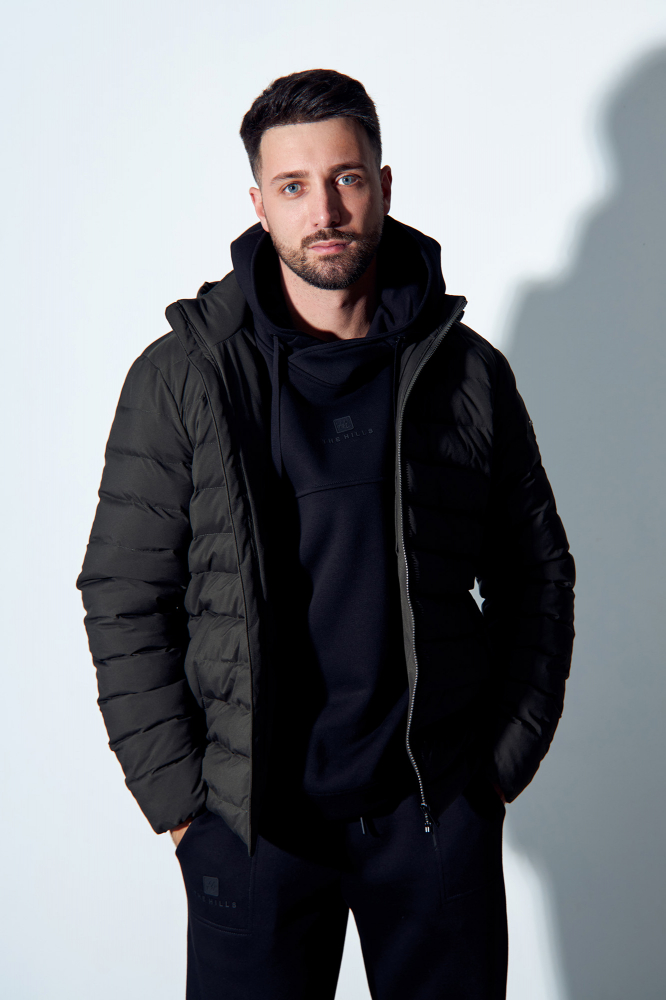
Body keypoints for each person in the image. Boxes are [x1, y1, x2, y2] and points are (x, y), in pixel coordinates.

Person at [76, 69, 575, 1000]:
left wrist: (494, 776)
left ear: (382, 185)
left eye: (346, 178)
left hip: (431, 815)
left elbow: (537, 573)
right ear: (259, 204)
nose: (326, 211)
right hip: (253, 825)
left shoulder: (465, 373)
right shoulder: (183, 376)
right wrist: (184, 810)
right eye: (294, 186)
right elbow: (124, 595)